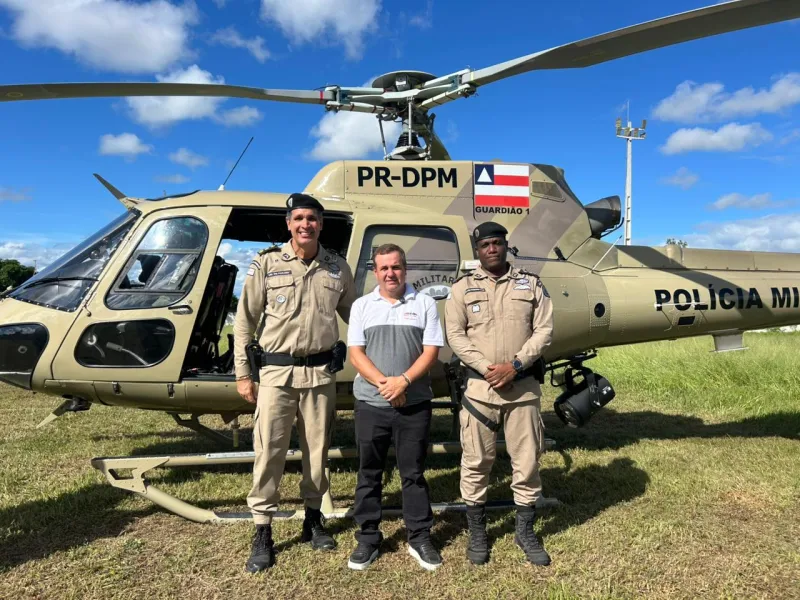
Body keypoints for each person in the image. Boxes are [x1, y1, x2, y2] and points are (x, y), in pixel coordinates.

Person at [233, 192, 356, 573]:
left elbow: (357, 316)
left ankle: (313, 519)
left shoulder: (337, 267)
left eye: (313, 218)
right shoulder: (267, 264)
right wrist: (242, 372)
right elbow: (244, 320)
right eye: (299, 218)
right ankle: (263, 529)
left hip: (319, 374)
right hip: (276, 375)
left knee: (317, 452)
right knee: (269, 451)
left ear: (322, 224)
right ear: (289, 223)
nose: (306, 224)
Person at [444, 222, 554, 567]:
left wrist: (516, 365)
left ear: (506, 245)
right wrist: (490, 368)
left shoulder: (531, 284)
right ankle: (478, 531)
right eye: (485, 245)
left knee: (527, 461)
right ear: (477, 250)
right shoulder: (462, 288)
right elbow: (455, 335)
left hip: (522, 389)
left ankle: (524, 530)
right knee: (476, 462)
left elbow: (545, 329)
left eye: (497, 243)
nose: (492, 249)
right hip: (480, 389)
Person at [345, 243, 445, 571]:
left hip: (414, 403)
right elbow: (356, 354)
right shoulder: (362, 305)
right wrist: (386, 385)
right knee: (369, 471)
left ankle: (419, 536)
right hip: (371, 403)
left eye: (396, 267)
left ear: (405, 269)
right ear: (375, 272)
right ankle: (368, 538)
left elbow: (431, 351)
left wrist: (403, 381)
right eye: (384, 268)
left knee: (413, 473)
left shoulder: (425, 303)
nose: (391, 273)